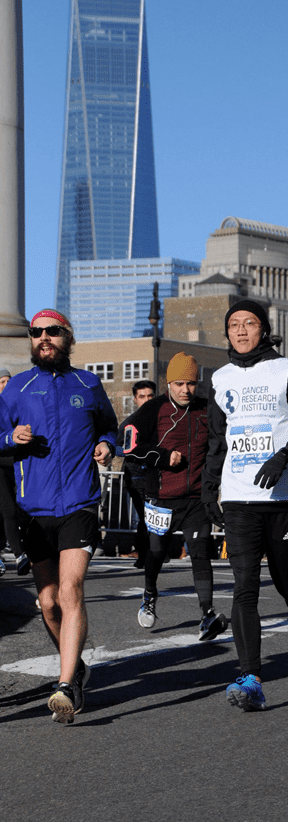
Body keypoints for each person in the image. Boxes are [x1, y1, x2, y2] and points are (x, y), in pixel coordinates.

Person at [202, 300, 288, 712]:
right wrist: (209, 488)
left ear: (264, 330)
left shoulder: (286, 370)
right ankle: (250, 675)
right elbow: (217, 442)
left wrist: (285, 455)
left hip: (282, 497)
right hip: (239, 497)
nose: (241, 331)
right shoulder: (219, 379)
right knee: (244, 588)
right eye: (234, 325)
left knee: (285, 580)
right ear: (227, 334)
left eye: (249, 324)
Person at [0, 309, 118, 724]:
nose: (43, 338)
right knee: (48, 602)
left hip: (80, 504)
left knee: (70, 590)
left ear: (68, 337)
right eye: (36, 333)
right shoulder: (16, 388)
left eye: (52, 332)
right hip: (34, 509)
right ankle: (76, 667)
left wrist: (106, 444)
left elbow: (109, 426)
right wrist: (9, 437)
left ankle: (66, 684)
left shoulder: (88, 384)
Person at [123, 353, 226, 641]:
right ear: (169, 383)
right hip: (161, 497)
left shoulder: (207, 409)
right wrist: (163, 456)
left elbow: (221, 445)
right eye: (179, 383)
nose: (185, 390)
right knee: (156, 552)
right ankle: (149, 593)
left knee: (200, 551)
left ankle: (207, 615)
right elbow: (129, 444)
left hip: (196, 498)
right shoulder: (154, 408)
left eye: (191, 383)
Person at [115, 379, 156, 565]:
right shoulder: (129, 423)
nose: (147, 400)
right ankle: (144, 553)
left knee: (157, 513)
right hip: (136, 474)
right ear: (135, 399)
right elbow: (114, 447)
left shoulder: (164, 419)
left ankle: (156, 551)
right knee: (144, 514)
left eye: (150, 396)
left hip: (157, 472)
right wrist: (128, 449)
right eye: (142, 397)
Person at [0, 369, 31, 577]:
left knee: (23, 510)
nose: (5, 385)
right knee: (8, 510)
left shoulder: (20, 403)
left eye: (8, 381)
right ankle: (19, 555)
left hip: (17, 463)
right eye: (1, 381)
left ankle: (24, 550)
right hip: (0, 464)